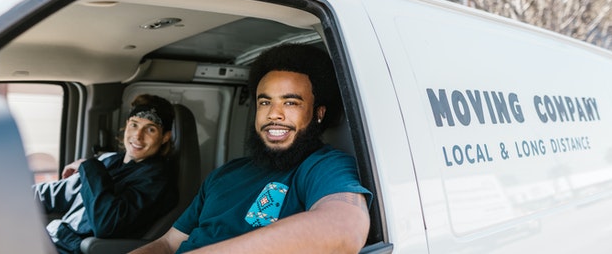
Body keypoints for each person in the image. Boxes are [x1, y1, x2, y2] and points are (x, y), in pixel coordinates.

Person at [131, 43, 371, 254]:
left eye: (290, 102)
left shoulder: (324, 166)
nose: (273, 114)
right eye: (265, 102)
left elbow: (345, 230)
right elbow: (169, 244)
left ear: (318, 113)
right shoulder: (224, 174)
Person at [34, 94, 179, 254]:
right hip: (49, 239)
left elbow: (106, 223)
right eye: (134, 125)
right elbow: (55, 194)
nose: (138, 136)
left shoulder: (156, 181)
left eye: (150, 129)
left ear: (165, 137)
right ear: (126, 125)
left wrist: (87, 166)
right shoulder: (108, 160)